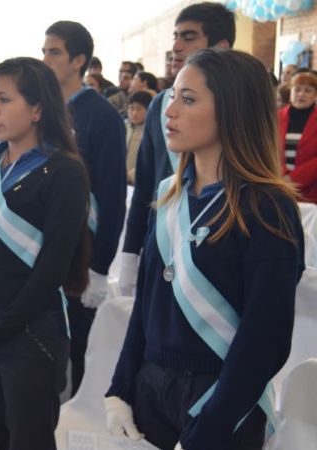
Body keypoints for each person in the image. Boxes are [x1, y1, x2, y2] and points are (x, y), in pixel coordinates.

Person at [106, 48, 304, 450]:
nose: (169, 110)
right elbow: (146, 303)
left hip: (223, 401)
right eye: (173, 95)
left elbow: (265, 337)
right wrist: (120, 389)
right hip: (152, 389)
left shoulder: (267, 206)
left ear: (234, 110)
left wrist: (210, 429)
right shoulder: (169, 195)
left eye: (188, 99)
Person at [0, 57, 90, 450]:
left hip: (30, 333)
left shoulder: (64, 172)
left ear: (38, 108)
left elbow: (51, 270)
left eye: (4, 99)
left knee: (28, 441)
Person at [118, 2, 235, 298]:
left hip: (217, 244)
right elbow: (146, 186)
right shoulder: (160, 104)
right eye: (175, 36)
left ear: (220, 48)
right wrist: (131, 254)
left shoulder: (239, 106)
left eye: (189, 37)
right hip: (162, 241)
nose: (176, 46)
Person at [43, 20, 126, 396]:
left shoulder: (102, 116)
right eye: (43, 50)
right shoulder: (40, 110)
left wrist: (98, 267)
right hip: (38, 244)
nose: (45, 59)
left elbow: (111, 198)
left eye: (54, 52)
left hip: (81, 250)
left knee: (77, 348)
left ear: (79, 60)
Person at [280, 71, 317, 203]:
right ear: (290, 92)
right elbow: (268, 148)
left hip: (311, 192)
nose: (301, 94)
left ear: (315, 95)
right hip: (279, 187)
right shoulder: (276, 117)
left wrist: (293, 179)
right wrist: (283, 177)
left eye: (308, 90)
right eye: (297, 89)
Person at [126, 91, 153, 184]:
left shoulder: (151, 131)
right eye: (131, 108)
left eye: (139, 109)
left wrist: (130, 175)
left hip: (139, 181)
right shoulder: (124, 126)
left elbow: (149, 160)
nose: (134, 113)